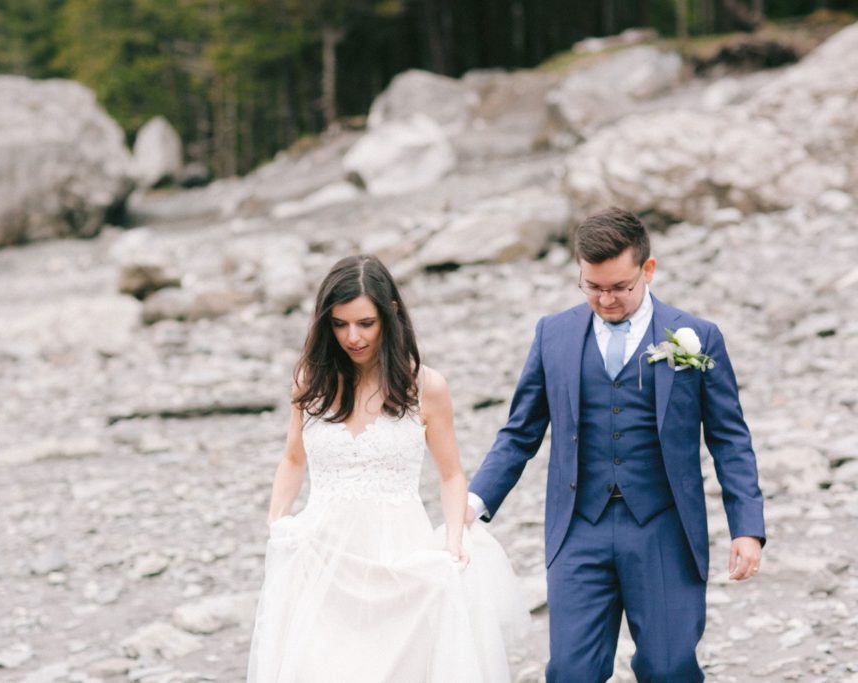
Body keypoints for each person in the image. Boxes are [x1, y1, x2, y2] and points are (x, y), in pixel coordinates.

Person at [466, 207, 766, 682]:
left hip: (664, 528)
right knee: (570, 671)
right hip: (578, 527)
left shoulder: (697, 336)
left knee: (669, 669)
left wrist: (746, 527)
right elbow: (520, 431)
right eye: (592, 286)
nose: (605, 299)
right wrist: (473, 501)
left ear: (648, 270)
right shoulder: (553, 335)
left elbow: (730, 439)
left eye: (619, 287)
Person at [248, 255, 528, 683]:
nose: (352, 337)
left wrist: (454, 540)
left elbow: (451, 474)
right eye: (339, 325)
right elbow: (292, 459)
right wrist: (277, 520)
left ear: (390, 315)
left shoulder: (426, 387)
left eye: (365, 323)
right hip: (323, 555)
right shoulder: (311, 380)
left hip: (397, 551)